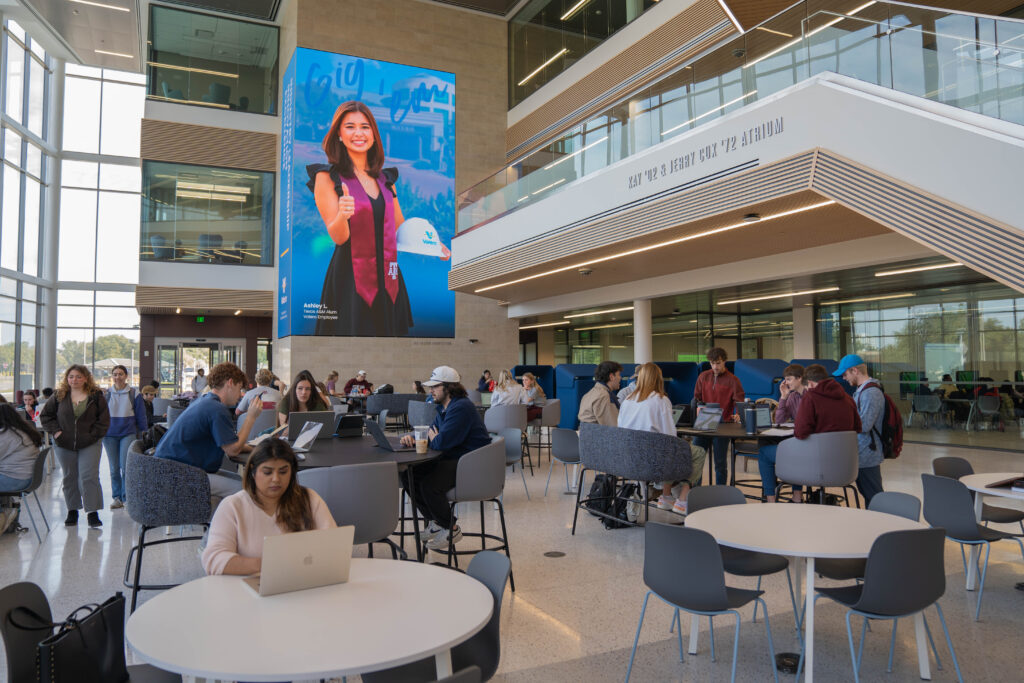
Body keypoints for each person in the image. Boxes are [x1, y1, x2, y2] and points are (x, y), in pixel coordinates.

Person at [307, 101, 449, 336]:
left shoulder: (385, 180)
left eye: (365, 126)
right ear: (339, 135)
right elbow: (339, 237)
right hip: (350, 278)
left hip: (388, 275)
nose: (359, 133)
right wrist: (343, 214)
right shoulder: (327, 177)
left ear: (373, 134)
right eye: (350, 127)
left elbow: (400, 226)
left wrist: (433, 244)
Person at [201, 439, 336, 576]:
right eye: (267, 472)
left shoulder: (309, 499)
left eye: (283, 472)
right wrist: (268, 564)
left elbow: (334, 545)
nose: (276, 479)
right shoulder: (233, 506)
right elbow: (213, 559)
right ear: (253, 472)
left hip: (302, 581)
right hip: (248, 586)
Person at [399, 366, 490, 551]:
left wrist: (435, 437)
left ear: (448, 387)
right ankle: (437, 522)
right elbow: (432, 434)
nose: (430, 390)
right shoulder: (443, 408)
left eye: (435, 386)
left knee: (429, 485)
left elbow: (440, 442)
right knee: (409, 474)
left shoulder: (461, 407)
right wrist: (414, 437)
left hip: (472, 464)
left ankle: (451, 528)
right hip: (455, 458)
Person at [154, 362, 263, 509]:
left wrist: (252, 448)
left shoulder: (204, 401)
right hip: (179, 475)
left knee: (242, 482)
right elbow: (232, 450)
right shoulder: (217, 409)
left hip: (168, 471)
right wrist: (251, 417)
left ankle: (221, 527)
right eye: (239, 389)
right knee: (246, 490)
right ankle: (226, 530)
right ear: (230, 383)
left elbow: (228, 444)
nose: (240, 395)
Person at [757, 364, 861, 502]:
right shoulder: (848, 399)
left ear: (810, 384)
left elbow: (800, 433)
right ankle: (796, 497)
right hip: (845, 466)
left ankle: (772, 501)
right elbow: (858, 428)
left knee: (765, 452)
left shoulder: (811, 397)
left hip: (816, 462)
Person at [617, 362, 705, 515]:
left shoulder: (628, 400)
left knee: (668, 449)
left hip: (629, 458)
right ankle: (682, 499)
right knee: (697, 452)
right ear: (658, 379)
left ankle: (666, 496)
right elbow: (669, 436)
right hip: (653, 460)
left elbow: (620, 428)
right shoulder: (661, 400)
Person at [40, 365, 110, 528]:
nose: (74, 380)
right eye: (71, 376)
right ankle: (72, 510)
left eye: (78, 376)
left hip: (90, 443)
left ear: (86, 378)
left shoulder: (96, 396)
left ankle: (92, 512)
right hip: (64, 443)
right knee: (70, 477)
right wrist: (57, 433)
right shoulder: (59, 395)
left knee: (88, 476)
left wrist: (93, 435)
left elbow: (104, 420)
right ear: (67, 378)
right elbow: (46, 416)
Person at [835, 354, 885, 504]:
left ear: (855, 370)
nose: (844, 378)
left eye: (845, 374)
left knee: (875, 498)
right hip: (862, 453)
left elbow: (864, 425)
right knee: (869, 495)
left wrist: (842, 420)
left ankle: (881, 525)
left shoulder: (871, 392)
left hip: (868, 454)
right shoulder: (862, 390)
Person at [692, 347, 745, 486]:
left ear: (725, 362)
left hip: (723, 425)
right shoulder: (703, 377)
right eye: (712, 363)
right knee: (696, 458)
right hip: (704, 422)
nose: (715, 366)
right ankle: (695, 490)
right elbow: (696, 398)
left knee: (720, 462)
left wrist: (738, 414)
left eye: (718, 363)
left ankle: (720, 490)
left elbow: (739, 401)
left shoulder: (733, 380)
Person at [102, 364, 147, 510]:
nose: (117, 377)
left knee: (125, 466)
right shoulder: (106, 394)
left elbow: (141, 415)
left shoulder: (134, 394)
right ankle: (117, 497)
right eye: (115, 374)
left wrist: (143, 432)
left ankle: (127, 496)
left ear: (126, 376)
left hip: (128, 433)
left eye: (120, 374)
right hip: (109, 435)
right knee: (114, 468)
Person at [0, 403, 43, 533]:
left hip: (16, 479)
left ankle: (4, 514)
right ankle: (7, 513)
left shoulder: (6, 435)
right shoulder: (23, 432)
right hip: (27, 478)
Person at [278, 370, 330, 434]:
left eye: (307, 389)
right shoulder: (285, 402)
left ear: (311, 391)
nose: (304, 392)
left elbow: (325, 429)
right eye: (300, 388)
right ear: (294, 390)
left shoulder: (318, 404)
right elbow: (284, 432)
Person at [578, 361, 623, 426]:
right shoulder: (604, 396)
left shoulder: (590, 393)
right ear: (611, 377)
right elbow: (613, 427)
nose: (620, 378)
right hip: (597, 435)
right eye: (619, 375)